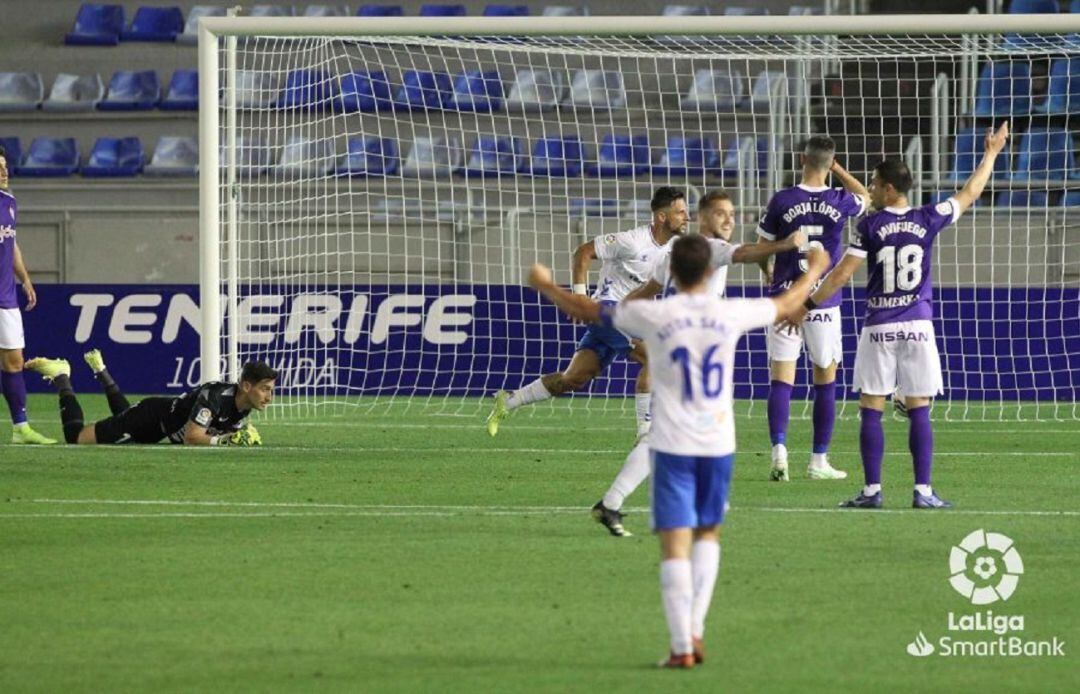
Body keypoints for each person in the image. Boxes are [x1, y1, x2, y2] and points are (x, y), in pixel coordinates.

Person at [528, 235, 831, 668]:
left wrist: (544, 284)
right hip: (717, 444)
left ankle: (680, 647)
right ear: (710, 272)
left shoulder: (652, 314)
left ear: (671, 272)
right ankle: (696, 630)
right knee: (707, 534)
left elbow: (585, 310)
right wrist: (815, 267)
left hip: (671, 444)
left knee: (674, 545)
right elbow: (787, 304)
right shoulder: (729, 312)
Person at [787, 121, 1010, 509]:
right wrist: (991, 153)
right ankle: (923, 491)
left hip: (879, 327)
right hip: (919, 326)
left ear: (889, 188)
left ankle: (872, 491)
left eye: (873, 184)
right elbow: (971, 193)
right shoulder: (928, 217)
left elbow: (840, 275)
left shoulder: (869, 225)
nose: (870, 189)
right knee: (919, 406)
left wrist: (804, 305)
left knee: (871, 406)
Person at [590, 190, 807, 537]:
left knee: (671, 431)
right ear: (703, 217)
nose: (729, 220)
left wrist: (617, 314)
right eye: (720, 214)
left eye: (732, 214)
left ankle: (613, 503)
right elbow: (748, 252)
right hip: (699, 345)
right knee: (707, 427)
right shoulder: (711, 248)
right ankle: (695, 506)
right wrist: (786, 244)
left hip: (681, 343)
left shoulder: (676, 251)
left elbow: (647, 291)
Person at [486, 186, 689, 439]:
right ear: (661, 217)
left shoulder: (676, 248)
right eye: (680, 212)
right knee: (656, 357)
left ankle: (509, 400)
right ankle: (645, 434)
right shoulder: (632, 241)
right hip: (605, 310)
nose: (687, 217)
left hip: (630, 316)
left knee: (573, 379)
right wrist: (580, 297)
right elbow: (583, 252)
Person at [755, 136, 870, 482]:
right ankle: (818, 461)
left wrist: (770, 274)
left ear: (801, 158)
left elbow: (761, 249)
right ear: (830, 162)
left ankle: (779, 453)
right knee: (825, 379)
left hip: (785, 298)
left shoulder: (782, 199)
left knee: (781, 378)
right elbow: (866, 195)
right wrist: (838, 169)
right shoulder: (841, 200)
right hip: (822, 301)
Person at [25, 349, 275, 446]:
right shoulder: (215, 396)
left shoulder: (243, 407)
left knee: (122, 418)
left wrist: (237, 437)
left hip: (157, 429)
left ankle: (101, 371)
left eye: (271, 390)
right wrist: (226, 441)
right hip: (150, 417)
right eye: (265, 389)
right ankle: (61, 376)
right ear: (245, 385)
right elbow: (192, 437)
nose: (269, 396)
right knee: (76, 438)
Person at [0, 145, 55, 444]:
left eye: (5, 166)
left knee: (14, 362)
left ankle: (20, 428)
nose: (4, 171)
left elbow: (12, 244)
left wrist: (25, 279)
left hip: (6, 298)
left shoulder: (9, 202)